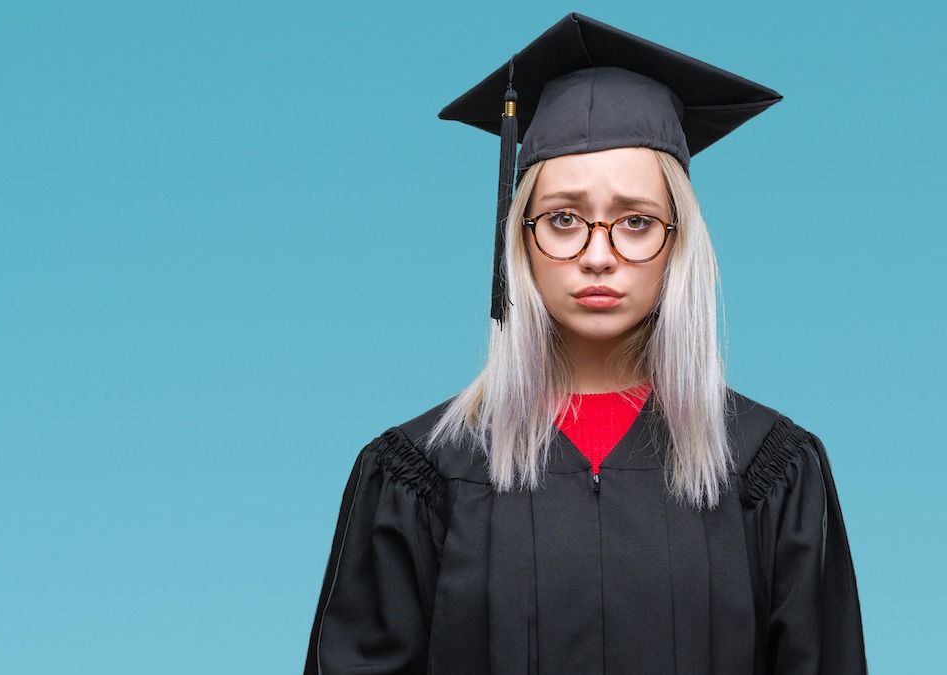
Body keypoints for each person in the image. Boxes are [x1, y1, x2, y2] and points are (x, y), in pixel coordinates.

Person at [303, 11, 868, 675]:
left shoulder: (770, 472)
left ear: (677, 241)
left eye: (635, 220)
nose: (598, 255)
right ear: (521, 238)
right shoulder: (423, 478)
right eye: (565, 218)